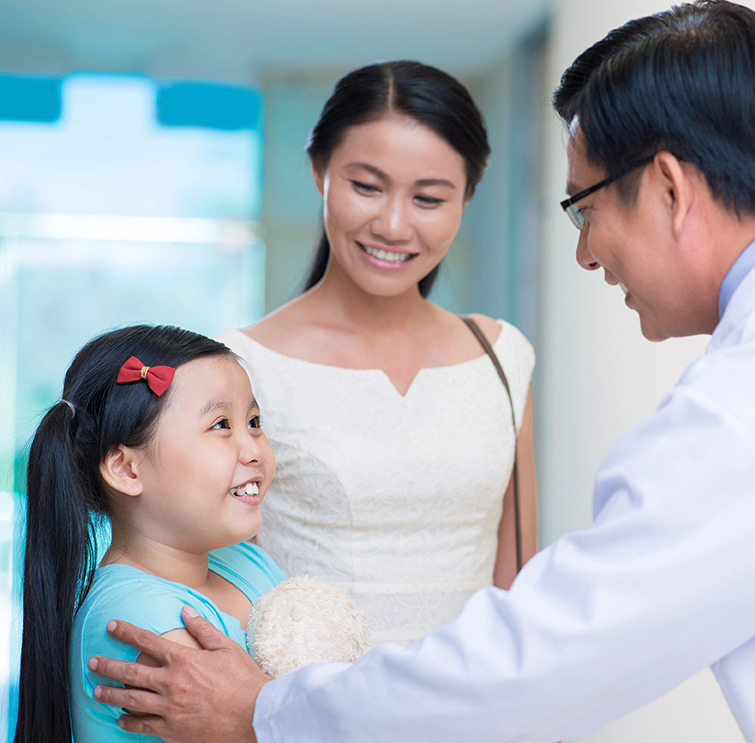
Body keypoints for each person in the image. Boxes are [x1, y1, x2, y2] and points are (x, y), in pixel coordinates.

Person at [90, 2, 755, 743]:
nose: (584, 254)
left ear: (666, 187)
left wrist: (270, 718)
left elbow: (545, 651)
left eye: (585, 208)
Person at [212, 60, 539, 648]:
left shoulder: (501, 357)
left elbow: (516, 584)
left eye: (430, 198)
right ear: (319, 173)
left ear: (467, 197)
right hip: (312, 718)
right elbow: (212, 580)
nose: (392, 225)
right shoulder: (239, 367)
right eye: (366, 187)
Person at [12, 324, 285, 743]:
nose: (253, 448)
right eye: (220, 425)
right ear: (127, 469)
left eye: (253, 421)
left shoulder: (243, 561)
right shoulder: (138, 617)